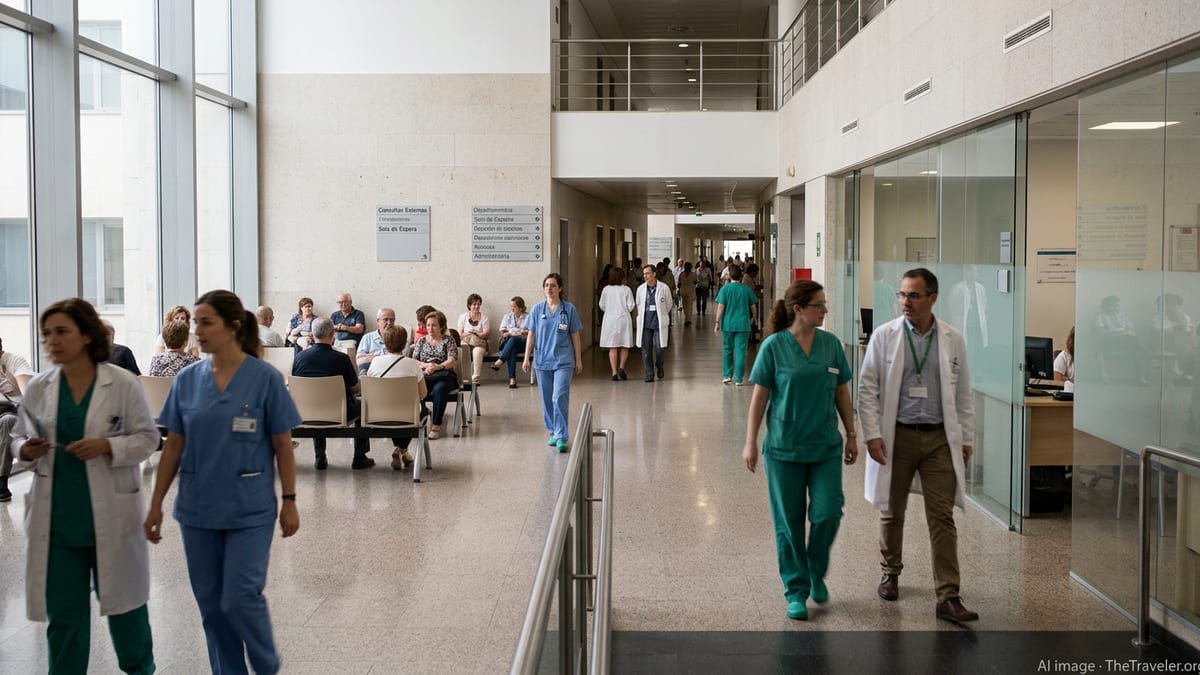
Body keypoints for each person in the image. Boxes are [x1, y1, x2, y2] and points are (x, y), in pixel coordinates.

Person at [145, 289, 300, 675]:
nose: (196, 329)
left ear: (232, 327)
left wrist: (290, 500)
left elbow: (283, 443)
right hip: (197, 509)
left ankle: (265, 664)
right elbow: (174, 443)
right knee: (212, 607)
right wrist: (155, 504)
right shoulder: (187, 380)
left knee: (239, 598)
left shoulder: (264, 378)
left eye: (205, 322)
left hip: (250, 508)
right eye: (195, 322)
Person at [13, 298, 158, 673]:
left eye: (62, 331)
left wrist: (107, 445)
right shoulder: (39, 388)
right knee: (64, 621)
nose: (52, 341)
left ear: (87, 335)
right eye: (47, 334)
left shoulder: (122, 383)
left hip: (112, 518)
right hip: (58, 521)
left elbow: (148, 439)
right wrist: (24, 448)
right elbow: (18, 438)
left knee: (127, 614)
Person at [858, 267, 978, 625]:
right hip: (898, 435)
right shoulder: (884, 336)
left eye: (913, 295)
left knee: (941, 517)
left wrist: (966, 438)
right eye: (902, 295)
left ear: (932, 299)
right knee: (892, 510)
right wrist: (872, 434)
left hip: (941, 438)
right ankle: (890, 572)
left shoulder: (953, 339)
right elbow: (868, 389)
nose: (905, 302)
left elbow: (964, 394)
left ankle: (948, 596)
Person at [742, 280, 858, 621]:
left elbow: (841, 393)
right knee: (788, 523)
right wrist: (750, 442)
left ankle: (814, 570)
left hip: (825, 446)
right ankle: (796, 590)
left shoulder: (832, 345)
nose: (825, 310)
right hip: (783, 449)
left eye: (824, 304)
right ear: (799, 310)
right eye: (819, 305)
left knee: (828, 512)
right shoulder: (774, 347)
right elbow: (759, 398)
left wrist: (851, 433)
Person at [292, 317, 372, 469]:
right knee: (363, 406)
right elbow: (355, 389)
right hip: (338, 412)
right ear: (332, 334)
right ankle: (359, 457)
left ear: (313, 335)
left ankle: (320, 456)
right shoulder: (341, 359)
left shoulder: (299, 358)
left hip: (307, 412)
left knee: (316, 402)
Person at [523, 273, 583, 452]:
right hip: (542, 361)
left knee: (559, 397)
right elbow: (531, 335)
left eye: (553, 285)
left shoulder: (569, 309)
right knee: (547, 400)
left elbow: (575, 335)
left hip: (564, 361)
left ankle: (562, 436)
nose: (549, 288)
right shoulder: (537, 310)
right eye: (546, 285)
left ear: (560, 289)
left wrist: (578, 359)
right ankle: (553, 432)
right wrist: (527, 357)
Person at [367, 325, 426, 470]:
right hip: (407, 414)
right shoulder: (412, 364)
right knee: (419, 411)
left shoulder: (375, 362)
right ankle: (401, 450)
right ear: (405, 343)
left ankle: (401, 451)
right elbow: (423, 393)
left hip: (379, 413)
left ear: (384, 342)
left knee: (393, 410)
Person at [411, 310, 459, 440]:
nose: (430, 328)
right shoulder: (421, 341)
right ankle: (419, 417)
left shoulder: (448, 340)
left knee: (440, 389)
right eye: (428, 325)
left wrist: (438, 366)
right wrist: (426, 366)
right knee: (413, 387)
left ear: (442, 326)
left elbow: (452, 360)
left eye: (434, 325)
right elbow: (413, 360)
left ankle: (436, 426)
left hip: (444, 374)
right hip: (425, 374)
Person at [0, 334, 35, 502]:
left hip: (18, 414)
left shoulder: (14, 361)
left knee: (6, 421)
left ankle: (1, 483)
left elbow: (27, 393)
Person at [714, 265, 759, 385]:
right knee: (741, 351)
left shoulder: (725, 289)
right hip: (743, 324)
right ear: (741, 275)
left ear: (729, 275)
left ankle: (727, 375)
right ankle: (739, 379)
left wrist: (717, 322)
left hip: (728, 324)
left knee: (728, 350)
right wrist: (754, 317)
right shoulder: (746, 289)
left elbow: (720, 306)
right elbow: (753, 305)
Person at [635, 264, 673, 383]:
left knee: (659, 348)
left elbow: (669, 304)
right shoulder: (640, 289)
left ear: (654, 274)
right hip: (645, 324)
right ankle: (649, 373)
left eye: (648, 273)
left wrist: (662, 314)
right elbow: (638, 304)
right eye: (644, 274)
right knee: (646, 349)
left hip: (658, 323)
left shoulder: (664, 287)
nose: (645, 276)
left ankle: (660, 365)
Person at [598, 267, 635, 381]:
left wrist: (610, 310)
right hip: (623, 318)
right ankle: (621, 367)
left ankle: (614, 372)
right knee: (624, 345)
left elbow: (602, 305)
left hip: (610, 319)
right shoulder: (626, 290)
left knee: (612, 347)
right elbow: (631, 305)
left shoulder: (606, 289)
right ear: (622, 277)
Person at [491, 296, 530, 388]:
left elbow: (529, 332)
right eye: (511, 306)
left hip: (523, 343)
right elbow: (503, 332)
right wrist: (518, 332)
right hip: (508, 343)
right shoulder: (507, 316)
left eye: (514, 306)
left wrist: (512, 333)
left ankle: (501, 361)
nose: (512, 308)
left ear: (520, 307)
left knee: (513, 339)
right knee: (512, 348)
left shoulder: (528, 317)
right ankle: (512, 380)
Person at [457, 293, 492, 384]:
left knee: (477, 351)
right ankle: (464, 377)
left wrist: (478, 333)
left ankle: (476, 378)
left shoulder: (484, 318)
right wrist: (468, 334)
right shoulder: (463, 317)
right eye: (474, 304)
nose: (476, 306)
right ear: (469, 305)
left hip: (479, 342)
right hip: (466, 340)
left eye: (478, 304)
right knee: (463, 348)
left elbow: (486, 333)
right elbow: (459, 333)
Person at [356, 307, 397, 373]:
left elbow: (401, 359)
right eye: (385, 320)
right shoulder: (367, 338)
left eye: (392, 320)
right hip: (371, 374)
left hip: (393, 373)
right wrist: (384, 357)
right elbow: (359, 360)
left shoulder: (399, 338)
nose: (389, 323)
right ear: (378, 321)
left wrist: (371, 357)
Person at [676, 261, 696, 326]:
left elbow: (695, 282)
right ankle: (687, 318)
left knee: (689, 306)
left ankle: (688, 320)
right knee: (685, 306)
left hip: (690, 291)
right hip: (684, 292)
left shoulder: (692, 274)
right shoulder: (682, 275)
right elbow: (679, 284)